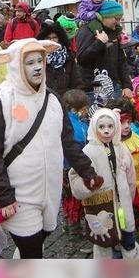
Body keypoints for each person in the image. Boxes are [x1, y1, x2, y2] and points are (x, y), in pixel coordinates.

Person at [0, 38, 103, 258]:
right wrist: (4, 195)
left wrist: (87, 171)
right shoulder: (0, 100)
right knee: (32, 250)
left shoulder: (53, 99)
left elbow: (67, 140)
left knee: (43, 235)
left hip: (50, 190)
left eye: (40, 61)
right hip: (18, 194)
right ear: (16, 64)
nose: (37, 67)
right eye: (29, 62)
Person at [69, 108, 139, 259]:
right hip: (100, 207)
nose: (107, 131)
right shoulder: (88, 151)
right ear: (94, 128)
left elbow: (130, 177)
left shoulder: (121, 149)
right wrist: (87, 186)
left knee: (128, 239)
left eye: (110, 126)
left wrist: (128, 196)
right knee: (103, 244)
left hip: (123, 206)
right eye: (101, 127)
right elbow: (75, 177)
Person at [75, 0, 133, 100]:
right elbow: (82, 59)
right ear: (105, 16)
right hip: (93, 89)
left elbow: (121, 60)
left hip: (113, 87)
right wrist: (99, 43)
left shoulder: (114, 32)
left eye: (120, 19)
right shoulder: (86, 30)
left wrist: (126, 85)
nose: (118, 22)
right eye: (116, 19)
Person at [60, 89, 89, 239]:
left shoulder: (75, 122)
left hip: (68, 166)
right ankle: (74, 231)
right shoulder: (72, 126)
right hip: (71, 167)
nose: (86, 112)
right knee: (73, 199)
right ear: (73, 109)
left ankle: (67, 223)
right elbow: (78, 142)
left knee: (67, 198)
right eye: (84, 109)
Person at [37, 21, 84, 97]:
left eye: (54, 37)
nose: (52, 41)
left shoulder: (68, 57)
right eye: (48, 38)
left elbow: (76, 82)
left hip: (65, 101)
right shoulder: (38, 58)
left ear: (60, 38)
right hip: (45, 101)